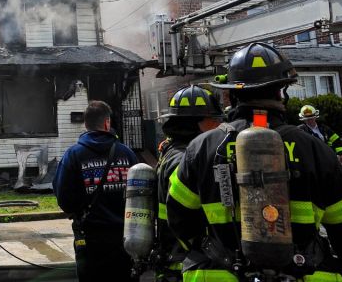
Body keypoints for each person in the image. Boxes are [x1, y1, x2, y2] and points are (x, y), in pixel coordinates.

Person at [166, 42, 342, 281]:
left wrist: (210, 246)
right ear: (281, 92)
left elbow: (179, 217)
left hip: (219, 273)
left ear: (233, 93)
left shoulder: (202, 147)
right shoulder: (315, 148)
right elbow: (340, 223)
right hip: (303, 273)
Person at [52, 100, 139, 282]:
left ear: (86, 124)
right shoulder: (127, 154)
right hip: (124, 239)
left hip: (89, 239)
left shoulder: (73, 155)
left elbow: (64, 198)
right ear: (107, 123)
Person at [155, 85, 223, 281]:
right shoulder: (184, 159)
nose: (219, 126)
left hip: (174, 259)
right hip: (184, 262)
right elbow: (184, 217)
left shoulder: (173, 151)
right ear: (198, 123)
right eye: (214, 120)